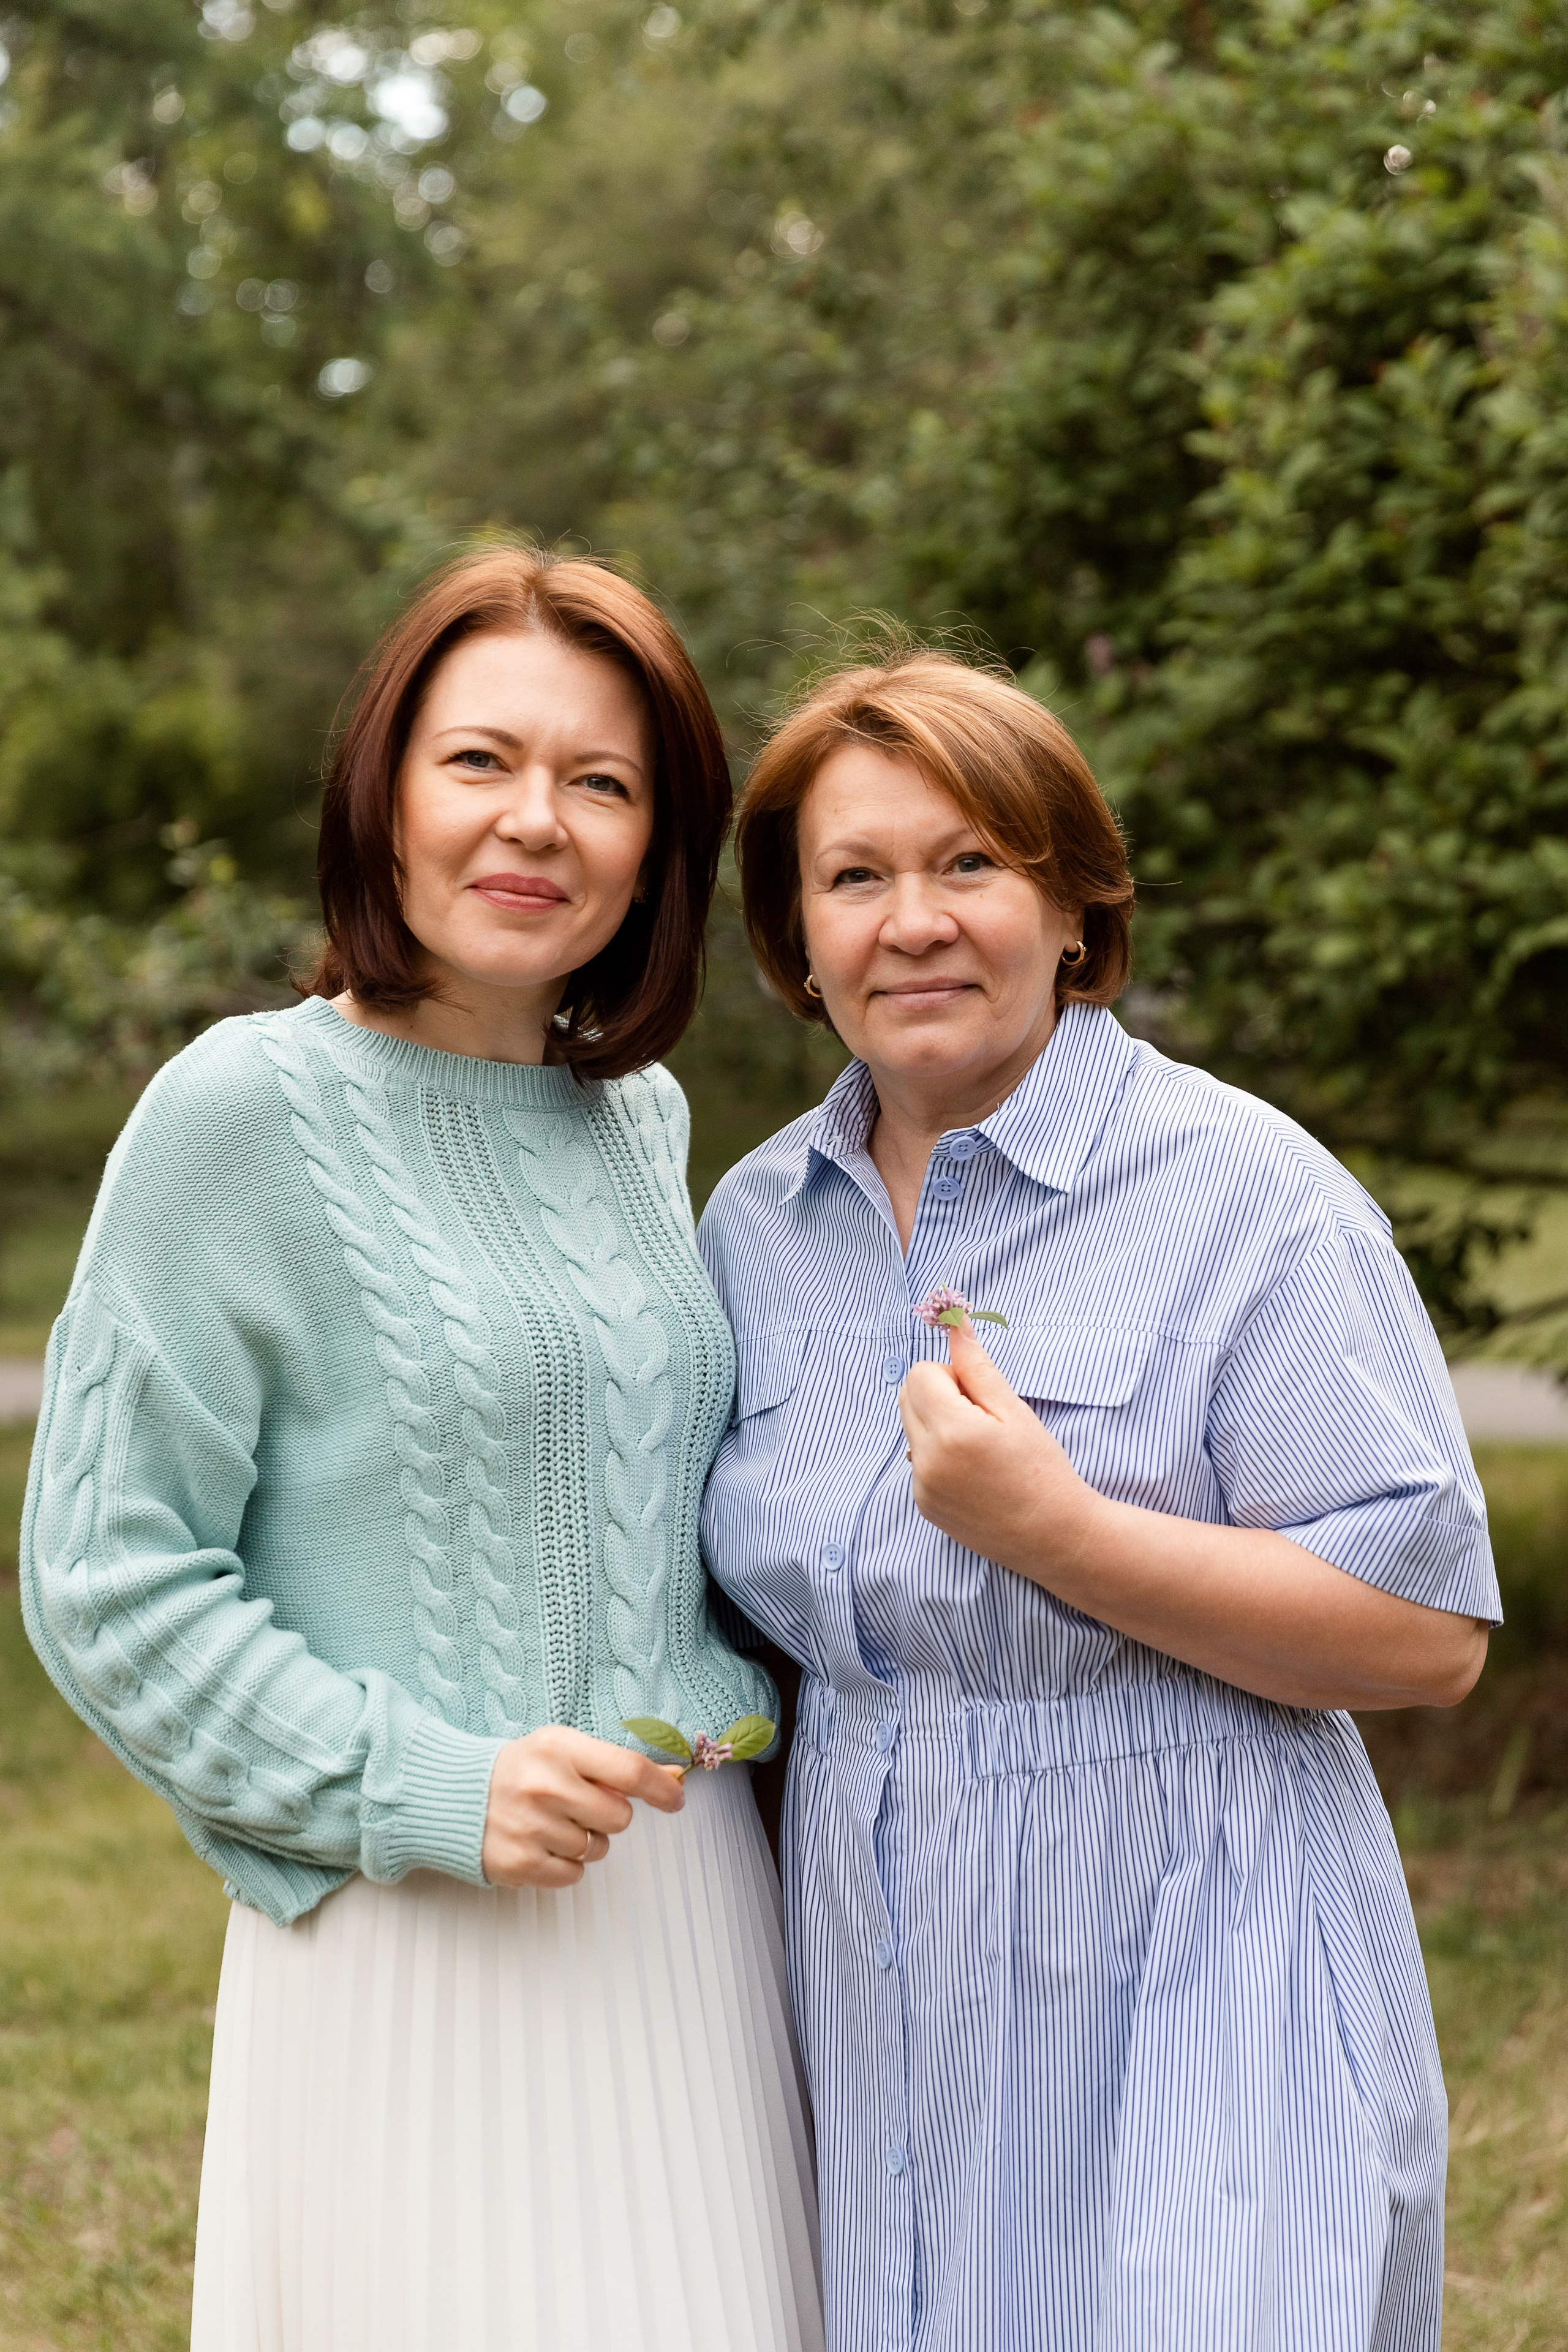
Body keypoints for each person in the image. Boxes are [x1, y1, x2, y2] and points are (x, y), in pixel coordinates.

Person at [21, 547, 823, 2352]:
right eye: (480, 761)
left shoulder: (635, 1116)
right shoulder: (239, 1112)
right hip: (412, 1939)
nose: (536, 822)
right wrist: (423, 1788)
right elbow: (103, 1575)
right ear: (382, 790)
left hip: (690, 1932)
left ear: (655, 849)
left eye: (603, 783)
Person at [696, 649, 1496, 2352]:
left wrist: (1061, 1536)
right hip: (877, 1991)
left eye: (971, 863)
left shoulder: (1248, 1197)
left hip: (1205, 1978)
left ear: (1073, 907)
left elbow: (1426, 1638)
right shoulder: (755, 1229)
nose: (913, 921)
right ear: (797, 939)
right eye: (856, 877)